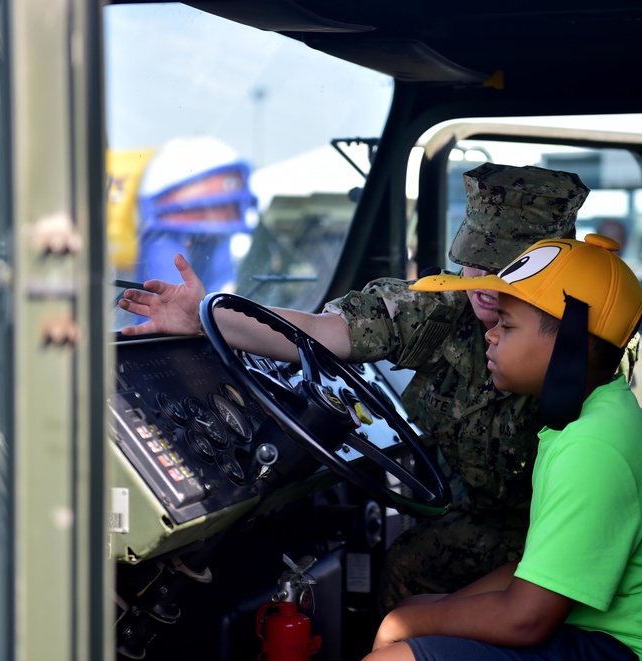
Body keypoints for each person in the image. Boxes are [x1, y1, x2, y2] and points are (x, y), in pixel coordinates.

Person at [118, 162, 598, 611]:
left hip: (560, 526)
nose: (485, 283)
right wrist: (207, 320)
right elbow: (322, 332)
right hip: (482, 516)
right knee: (406, 565)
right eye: (476, 260)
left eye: (508, 268)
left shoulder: (587, 335)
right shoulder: (438, 310)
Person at [358, 234, 642, 661]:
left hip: (629, 652)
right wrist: (425, 611)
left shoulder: (594, 446)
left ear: (570, 340)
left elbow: (525, 619)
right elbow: (532, 571)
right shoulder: (584, 419)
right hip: (598, 635)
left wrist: (408, 624)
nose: (490, 337)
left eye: (507, 325)